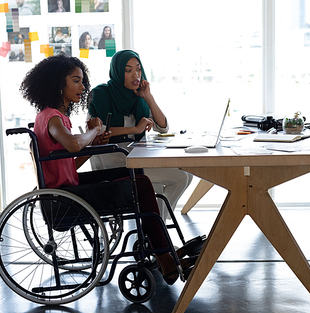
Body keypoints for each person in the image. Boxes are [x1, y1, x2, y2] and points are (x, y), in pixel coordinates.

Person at [20, 55, 196, 284]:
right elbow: (73, 145)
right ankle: (165, 256)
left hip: (68, 189)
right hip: (65, 197)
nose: (83, 87)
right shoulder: (52, 118)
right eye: (76, 81)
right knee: (140, 183)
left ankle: (163, 253)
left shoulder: (54, 117)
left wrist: (93, 143)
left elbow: (70, 163)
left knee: (138, 180)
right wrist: (95, 131)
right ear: (58, 85)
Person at [88, 50, 193, 222]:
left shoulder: (138, 96)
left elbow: (163, 127)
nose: (135, 75)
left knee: (186, 175)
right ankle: (157, 231)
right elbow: (98, 132)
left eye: (138, 69)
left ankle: (155, 232)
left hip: (137, 160)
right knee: (181, 178)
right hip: (115, 164)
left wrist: (148, 96)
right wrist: (137, 129)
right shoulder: (101, 94)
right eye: (128, 70)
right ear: (117, 72)